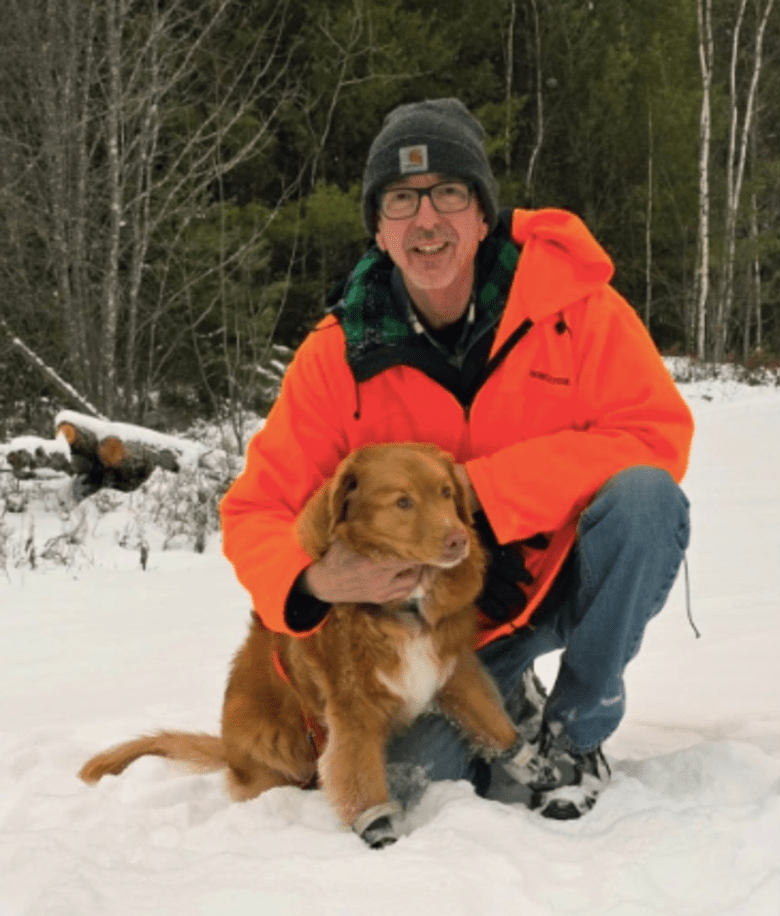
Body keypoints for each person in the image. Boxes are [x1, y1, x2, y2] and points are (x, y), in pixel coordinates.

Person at [219, 97, 693, 829]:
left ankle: (575, 730)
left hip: (555, 578)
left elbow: (656, 433)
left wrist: (488, 495)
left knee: (647, 501)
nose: (426, 220)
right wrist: (311, 579)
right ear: (379, 229)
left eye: (449, 193)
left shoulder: (576, 309)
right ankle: (507, 695)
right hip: (437, 633)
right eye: (401, 201)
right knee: (423, 785)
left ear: (482, 217)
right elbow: (256, 509)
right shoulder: (337, 357)